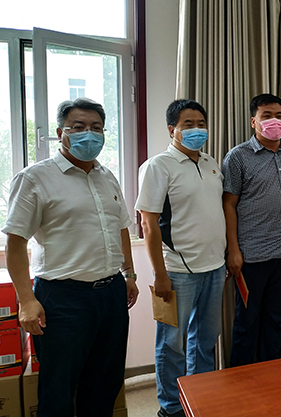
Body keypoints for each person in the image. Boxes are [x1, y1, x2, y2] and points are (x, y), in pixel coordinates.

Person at [2, 98, 139, 417]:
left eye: (96, 128)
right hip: (63, 299)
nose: (88, 133)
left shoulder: (107, 176)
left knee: (104, 384)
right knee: (58, 389)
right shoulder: (34, 178)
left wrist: (129, 274)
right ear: (60, 132)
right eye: (79, 127)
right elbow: (16, 243)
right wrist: (26, 300)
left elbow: (121, 228)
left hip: (111, 294)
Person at [136, 99, 226, 417]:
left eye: (201, 123)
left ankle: (200, 397)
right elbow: (148, 224)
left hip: (215, 267)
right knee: (171, 343)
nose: (197, 129)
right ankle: (172, 407)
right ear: (172, 129)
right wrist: (160, 274)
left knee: (205, 339)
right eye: (189, 124)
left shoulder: (212, 163)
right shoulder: (157, 166)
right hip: (177, 271)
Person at [222, 94, 281, 366]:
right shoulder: (238, 157)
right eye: (266, 116)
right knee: (246, 323)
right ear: (253, 121)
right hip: (252, 257)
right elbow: (228, 205)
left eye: (279, 115)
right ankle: (240, 381)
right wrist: (233, 250)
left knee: (276, 321)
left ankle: (271, 377)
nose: (274, 121)